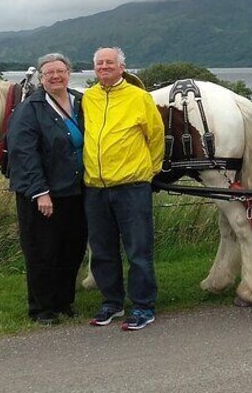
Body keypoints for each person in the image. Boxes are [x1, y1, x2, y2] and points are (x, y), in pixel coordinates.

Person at [82, 46, 165, 331]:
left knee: (138, 250)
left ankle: (143, 306)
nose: (104, 67)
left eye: (110, 63)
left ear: (121, 67)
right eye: (100, 63)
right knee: (103, 250)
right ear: (95, 69)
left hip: (132, 186)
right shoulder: (88, 98)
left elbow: (156, 136)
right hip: (95, 186)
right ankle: (112, 302)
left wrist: (148, 172)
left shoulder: (138, 97)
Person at [6, 53, 87, 325]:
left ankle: (65, 302)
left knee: (71, 249)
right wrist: (40, 192)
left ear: (69, 73)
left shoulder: (81, 102)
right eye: (49, 72)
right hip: (43, 195)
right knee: (42, 251)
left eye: (60, 71)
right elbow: (23, 153)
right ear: (41, 78)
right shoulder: (30, 109)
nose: (55, 76)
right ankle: (42, 309)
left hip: (76, 191)